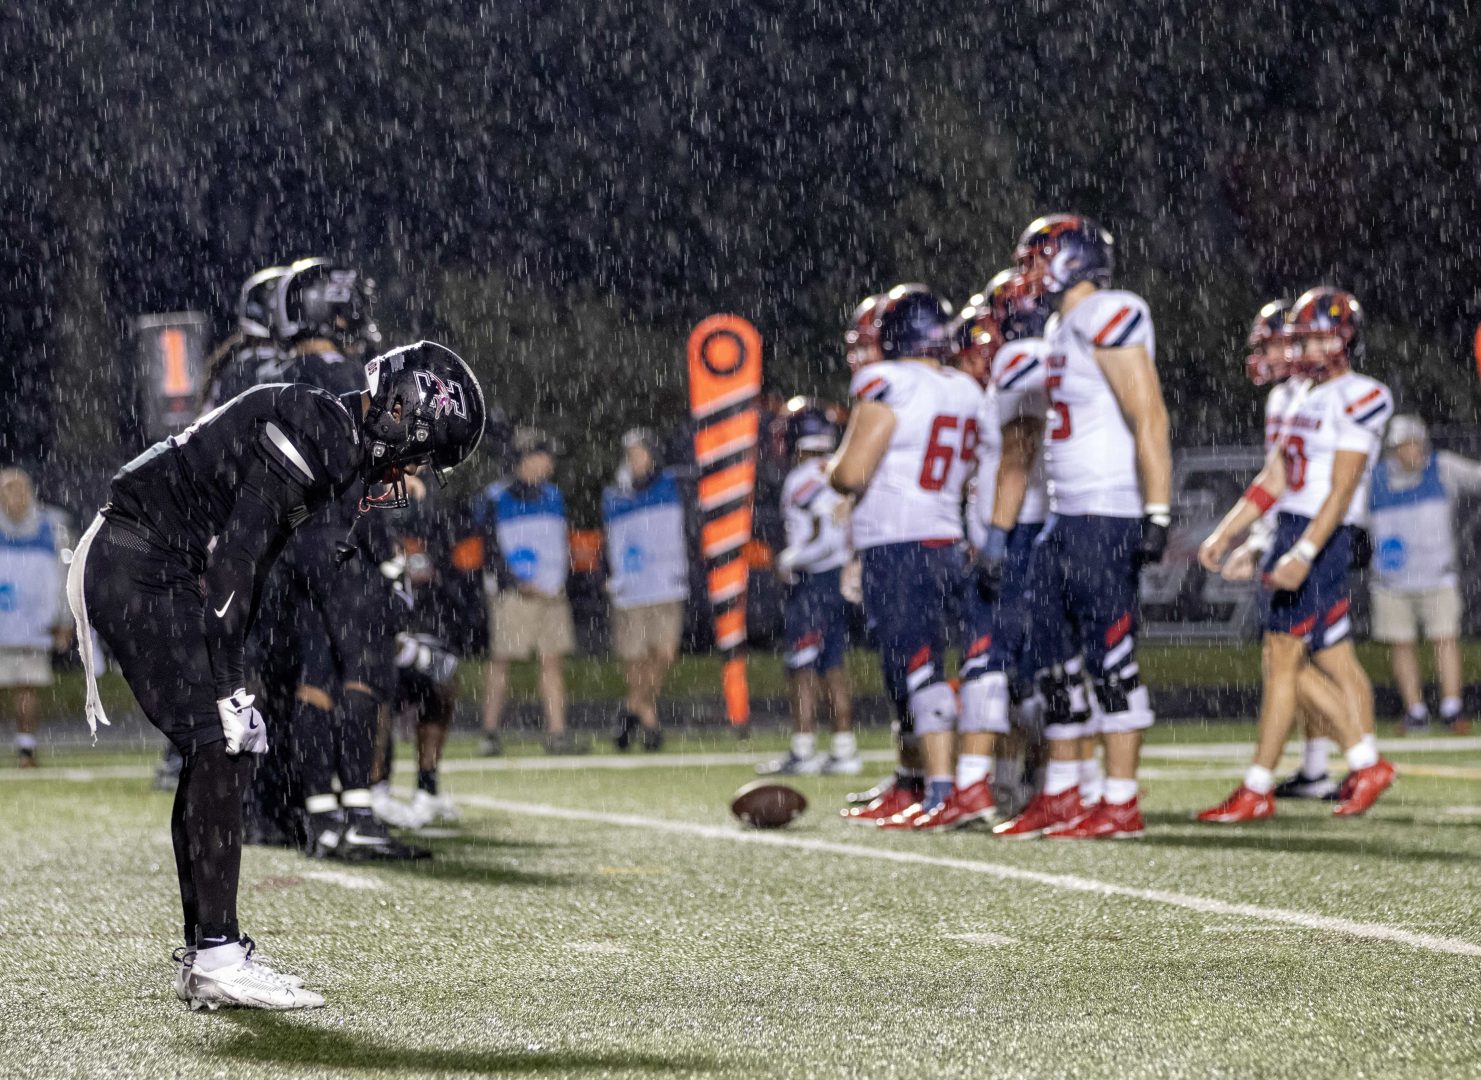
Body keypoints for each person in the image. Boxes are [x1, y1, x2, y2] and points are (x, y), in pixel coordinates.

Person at [65, 340, 485, 1011]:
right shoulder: (315, 428)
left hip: (154, 560)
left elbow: (253, 565)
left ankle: (209, 952)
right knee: (221, 738)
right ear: (404, 411)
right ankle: (217, 955)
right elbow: (236, 557)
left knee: (220, 746)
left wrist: (239, 671)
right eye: (421, 449)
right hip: (135, 558)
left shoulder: (334, 441)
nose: (411, 469)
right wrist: (231, 678)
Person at [990, 215, 1170, 841]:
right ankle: (1064, 794)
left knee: (1111, 657)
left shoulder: (1110, 311)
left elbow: (1149, 415)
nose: (1029, 273)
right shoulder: (1062, 326)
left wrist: (1158, 510)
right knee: (1054, 660)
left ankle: (1119, 801)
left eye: (1038, 259)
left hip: (1107, 509)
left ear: (1070, 260)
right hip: (1066, 512)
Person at [1197, 288, 1397, 822]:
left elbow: (1342, 487)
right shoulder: (1305, 396)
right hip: (1291, 528)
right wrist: (1229, 533)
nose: (1300, 347)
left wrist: (1306, 550)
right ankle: (1348, 764)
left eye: (1309, 337)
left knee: (1289, 657)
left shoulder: (1362, 393)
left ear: (1340, 339)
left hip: (1321, 533)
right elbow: (1278, 476)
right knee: (1288, 658)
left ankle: (1293, 777)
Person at [268, 259, 423, 861]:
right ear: (335, 310)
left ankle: (321, 816)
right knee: (364, 670)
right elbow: (371, 469)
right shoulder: (352, 376)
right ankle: (357, 810)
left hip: (292, 541)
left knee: (315, 679)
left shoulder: (280, 376)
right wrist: (387, 554)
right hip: (343, 536)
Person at [828, 284, 985, 826]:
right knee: (923, 666)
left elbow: (851, 472)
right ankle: (922, 780)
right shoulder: (964, 387)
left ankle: (939, 789)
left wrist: (832, 467)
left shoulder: (887, 383)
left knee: (914, 667)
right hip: (946, 536)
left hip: (899, 542)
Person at [759, 399, 858, 776]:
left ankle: (803, 749)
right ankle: (844, 748)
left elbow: (826, 534)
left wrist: (790, 559)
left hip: (815, 579)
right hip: (836, 578)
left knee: (803, 665)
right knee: (833, 663)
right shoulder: (838, 469)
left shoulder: (804, 477)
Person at [1369, 413, 1481, 734]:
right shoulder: (1374, 480)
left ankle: (1451, 708)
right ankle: (1415, 711)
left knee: (1444, 639)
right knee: (1400, 643)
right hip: (1390, 582)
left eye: (1416, 444)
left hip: (1438, 577)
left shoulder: (1443, 468)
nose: (1411, 451)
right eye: (1404, 446)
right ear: (1392, 449)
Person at [475, 428, 580, 754]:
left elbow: (559, 544)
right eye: (544, 457)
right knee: (501, 660)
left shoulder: (553, 496)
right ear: (528, 458)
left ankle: (557, 733)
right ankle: (489, 734)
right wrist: (519, 583)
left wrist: (559, 581)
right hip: (514, 596)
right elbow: (490, 551)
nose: (549, 464)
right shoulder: (496, 497)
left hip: (552, 594)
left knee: (552, 661)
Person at [604, 428, 690, 752]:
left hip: (667, 583)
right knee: (635, 660)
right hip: (631, 587)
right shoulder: (615, 493)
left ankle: (630, 710)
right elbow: (612, 540)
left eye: (640, 452)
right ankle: (649, 722)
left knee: (665, 653)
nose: (635, 459)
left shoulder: (672, 484)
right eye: (631, 454)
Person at [0, 468, 71, 768]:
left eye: (20, 490)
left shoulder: (52, 528)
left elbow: (66, 573)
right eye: (8, 491)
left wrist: (65, 619)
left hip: (33, 624)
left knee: (27, 687)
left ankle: (26, 750)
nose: (15, 497)